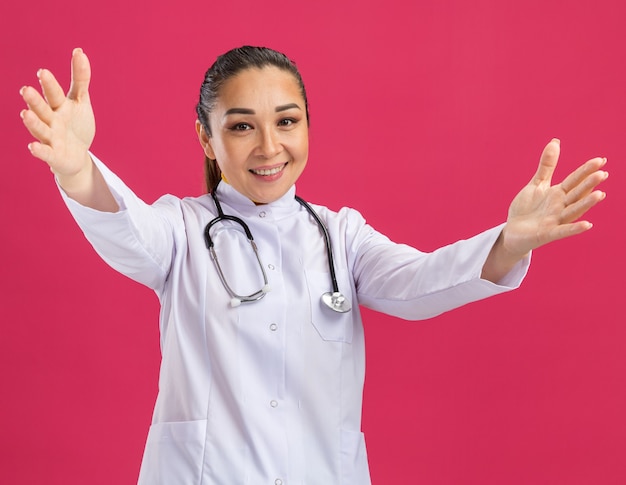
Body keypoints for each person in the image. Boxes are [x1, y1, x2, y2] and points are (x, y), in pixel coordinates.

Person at [19, 46, 607, 484]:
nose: (269, 146)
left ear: (307, 126)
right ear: (206, 138)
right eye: (241, 125)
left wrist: (509, 241)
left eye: (287, 121)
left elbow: (422, 282)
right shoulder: (180, 228)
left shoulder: (341, 236)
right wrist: (76, 168)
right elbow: (127, 230)